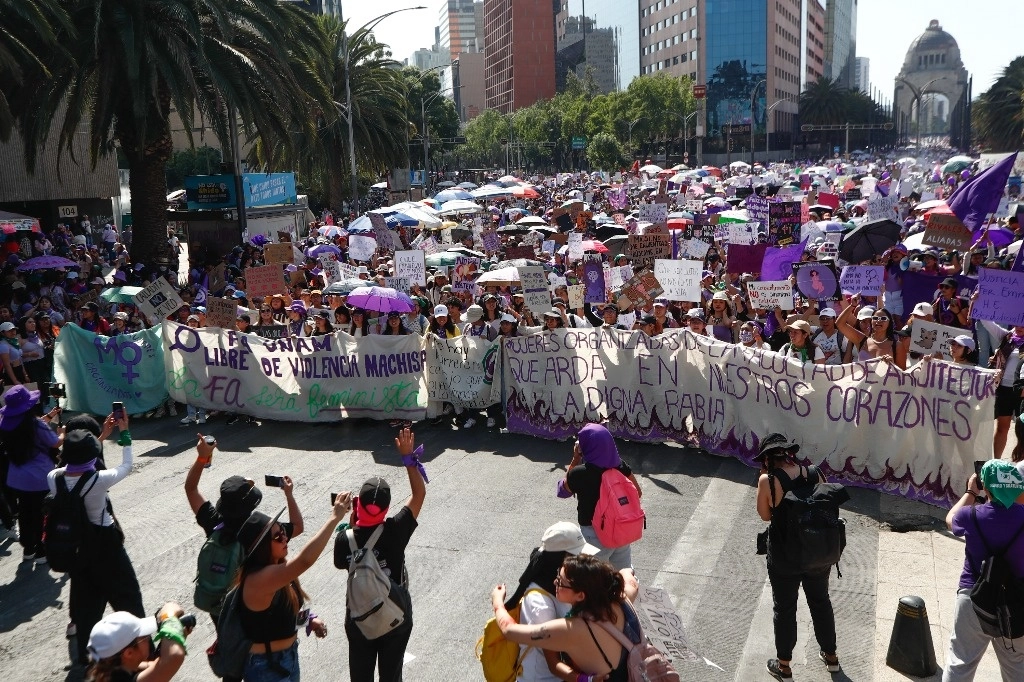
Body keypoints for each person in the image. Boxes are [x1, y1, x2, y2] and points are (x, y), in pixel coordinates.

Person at [49, 420, 146, 666]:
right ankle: (142, 649)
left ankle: (88, 655)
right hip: (106, 546)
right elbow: (126, 465)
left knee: (86, 606)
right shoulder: (99, 480)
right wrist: (124, 434)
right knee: (128, 598)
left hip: (78, 549)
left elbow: (69, 468)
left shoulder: (53, 478)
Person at [334, 428, 427, 682]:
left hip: (358, 618)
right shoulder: (396, 530)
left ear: (358, 506)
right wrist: (408, 458)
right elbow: (419, 494)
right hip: (393, 617)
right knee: (391, 675)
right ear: (386, 509)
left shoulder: (346, 539)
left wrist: (351, 527)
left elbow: (338, 563)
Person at [755, 433, 840, 680]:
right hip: (818, 553)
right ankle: (831, 657)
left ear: (767, 459)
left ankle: (784, 667)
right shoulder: (815, 472)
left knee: (784, 608)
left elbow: (765, 515)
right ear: (789, 454)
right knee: (821, 601)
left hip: (785, 557)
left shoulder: (768, 480)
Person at [236, 493, 345, 681]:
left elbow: (279, 610)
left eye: (283, 532)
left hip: (287, 658)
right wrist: (334, 517)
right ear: (262, 547)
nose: (285, 537)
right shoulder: (257, 579)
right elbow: (305, 560)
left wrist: (308, 619)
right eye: (278, 536)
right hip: (266, 667)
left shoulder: (276, 570)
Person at [489, 554, 640, 681]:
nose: (555, 582)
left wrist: (498, 601)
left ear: (581, 595)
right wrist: (626, 571)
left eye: (561, 582)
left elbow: (508, 630)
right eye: (557, 575)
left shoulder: (570, 629)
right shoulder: (622, 600)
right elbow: (630, 580)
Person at [941, 459, 1024, 680]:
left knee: (960, 663)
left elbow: (950, 520)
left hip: (973, 598)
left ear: (985, 486)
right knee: (1017, 667)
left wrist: (970, 492)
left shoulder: (971, 515)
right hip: (1016, 603)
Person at [501, 522, 600, 682]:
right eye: (575, 557)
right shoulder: (539, 604)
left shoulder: (566, 588)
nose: (581, 561)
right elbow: (554, 662)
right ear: (558, 559)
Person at [558, 423, 642, 570]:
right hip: (620, 529)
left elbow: (563, 491)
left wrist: (575, 458)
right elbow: (637, 492)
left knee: (593, 580)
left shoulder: (580, 473)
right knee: (623, 575)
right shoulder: (621, 467)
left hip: (594, 536)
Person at [0, 385, 61, 562]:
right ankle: (42, 550)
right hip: (40, 477)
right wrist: (62, 434)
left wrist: (47, 419)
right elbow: (55, 443)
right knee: (42, 513)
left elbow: (25, 431)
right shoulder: (36, 424)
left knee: (25, 512)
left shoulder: (5, 423)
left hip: (17, 478)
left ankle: (28, 549)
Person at [86, 604, 191, 682]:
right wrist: (168, 619)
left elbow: (155, 665)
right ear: (129, 653)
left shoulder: (108, 667)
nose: (149, 638)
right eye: (144, 637)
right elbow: (174, 657)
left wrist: (178, 635)